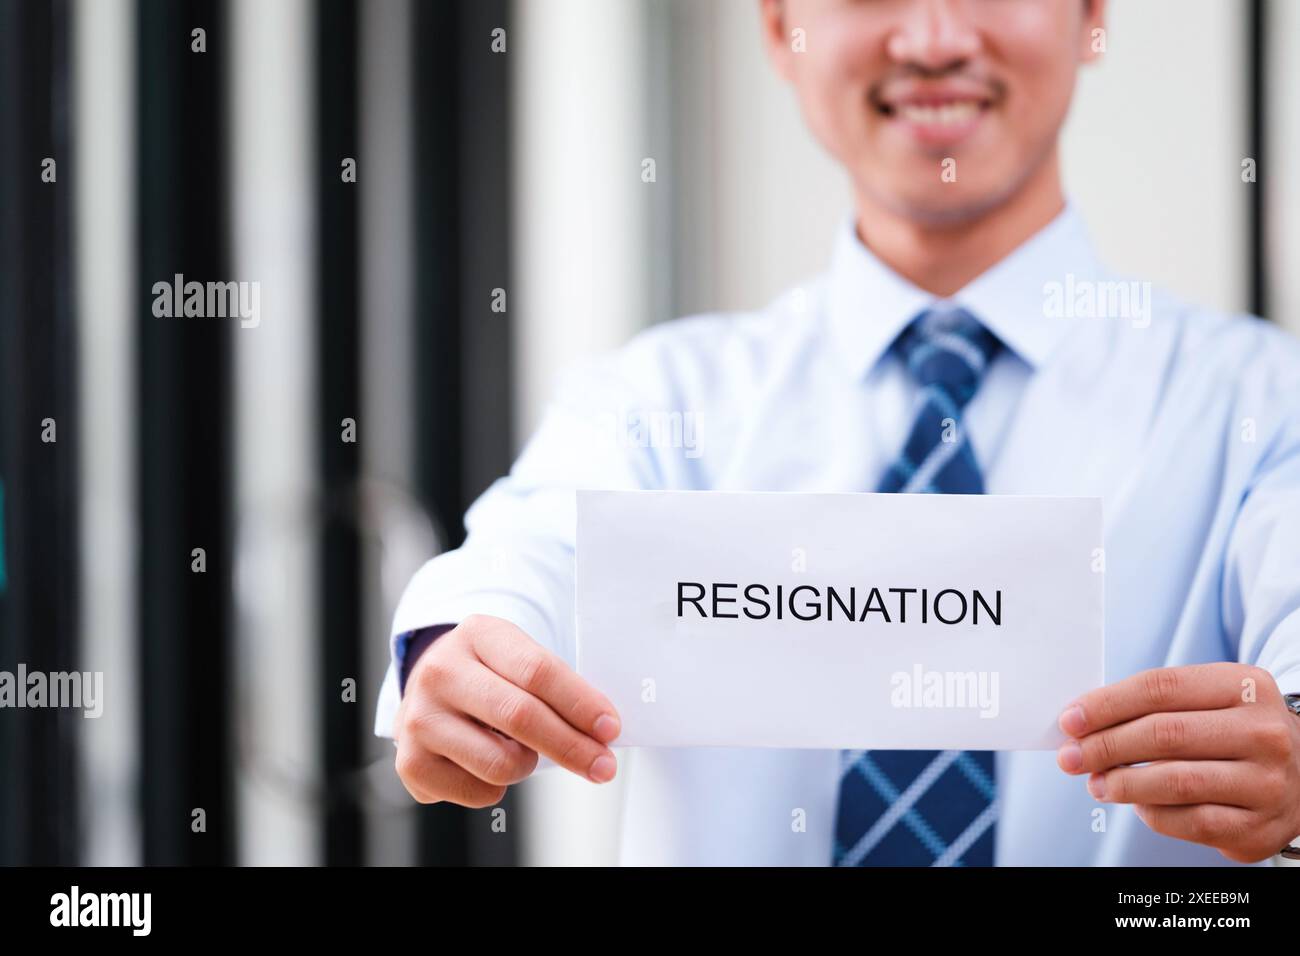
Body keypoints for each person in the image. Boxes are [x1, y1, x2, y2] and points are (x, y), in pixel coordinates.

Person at [374, 0, 1300, 865]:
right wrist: (462, 654)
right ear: (781, 28)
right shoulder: (653, 402)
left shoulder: (1264, 405)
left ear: (1093, 15)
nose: (934, 39)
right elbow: (521, 561)